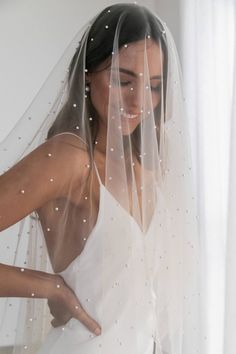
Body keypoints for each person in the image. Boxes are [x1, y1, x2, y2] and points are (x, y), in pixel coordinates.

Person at [0, 3, 202, 354]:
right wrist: (50, 286)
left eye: (154, 86)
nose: (139, 101)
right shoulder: (70, 160)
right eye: (123, 80)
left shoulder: (156, 160)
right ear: (88, 75)